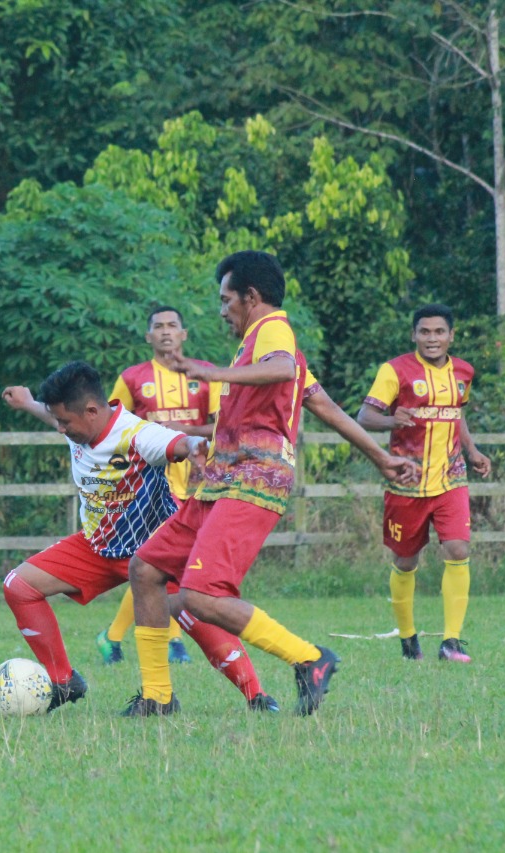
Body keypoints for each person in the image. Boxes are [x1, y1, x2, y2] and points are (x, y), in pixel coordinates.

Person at [124, 250, 419, 717]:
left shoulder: (274, 329)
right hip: (221, 480)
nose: (222, 312)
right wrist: (382, 456)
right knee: (145, 570)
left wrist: (211, 372)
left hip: (253, 481)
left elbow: (282, 368)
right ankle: (158, 697)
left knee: (202, 596)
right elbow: (327, 408)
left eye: (226, 301)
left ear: (251, 297)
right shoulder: (257, 346)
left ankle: (310, 658)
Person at [2, 361, 280, 713]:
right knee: (19, 586)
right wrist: (28, 403)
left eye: (64, 422)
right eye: (57, 420)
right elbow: (57, 415)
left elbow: (176, 443)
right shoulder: (80, 423)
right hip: (100, 545)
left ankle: (257, 696)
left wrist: (195, 444)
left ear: (91, 411)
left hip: (157, 553)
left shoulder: (137, 434)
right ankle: (63, 681)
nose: (59, 429)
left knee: (193, 613)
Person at [356, 305, 492, 662]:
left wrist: (473, 450)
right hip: (408, 483)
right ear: (414, 335)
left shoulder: (463, 372)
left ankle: (451, 641)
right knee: (404, 561)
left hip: (451, 478)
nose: (432, 339)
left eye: (439, 332)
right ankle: (407, 637)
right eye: (425, 332)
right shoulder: (395, 370)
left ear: (451, 335)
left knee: (459, 550)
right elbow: (364, 416)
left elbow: (456, 412)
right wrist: (391, 421)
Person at [96, 306, 216, 668]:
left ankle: (113, 636)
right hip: (150, 485)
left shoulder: (207, 375)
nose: (166, 332)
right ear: (148, 336)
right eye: (158, 327)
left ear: (184, 334)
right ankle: (173, 641)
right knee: (163, 564)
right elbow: (110, 427)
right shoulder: (132, 379)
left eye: (172, 326)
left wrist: (185, 433)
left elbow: (223, 426)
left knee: (156, 566)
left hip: (197, 482)